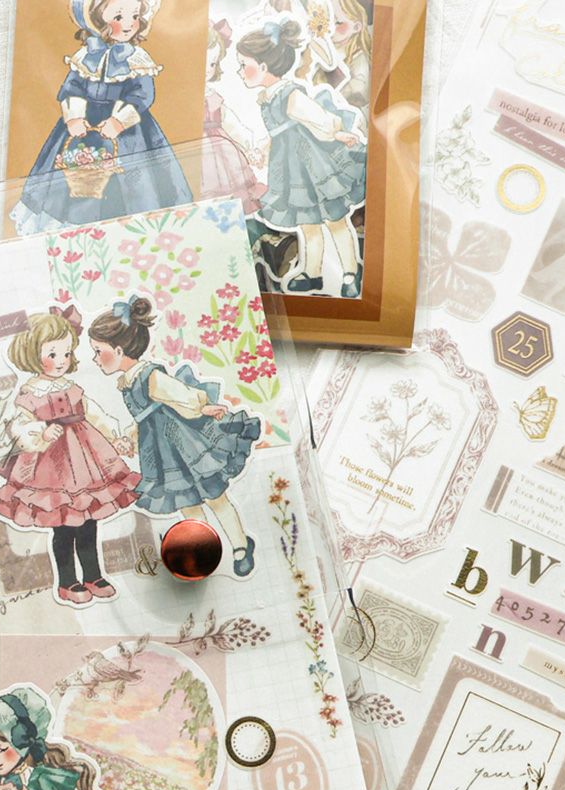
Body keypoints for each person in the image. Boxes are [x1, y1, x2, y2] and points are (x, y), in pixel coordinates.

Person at [87, 296, 260, 576]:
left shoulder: (150, 376)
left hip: (185, 445)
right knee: (187, 503)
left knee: (215, 495)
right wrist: (130, 438)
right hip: (161, 454)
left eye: (98, 351)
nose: (95, 359)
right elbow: (145, 418)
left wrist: (203, 407)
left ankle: (241, 546)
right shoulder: (127, 382)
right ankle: (205, 548)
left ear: (118, 350)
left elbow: (182, 396)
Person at [0, 306, 140, 605]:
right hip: (51, 467)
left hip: (86, 461)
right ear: (32, 354)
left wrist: (117, 437)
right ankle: (67, 582)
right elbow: (17, 426)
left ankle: (93, 575)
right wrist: (41, 432)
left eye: (67, 353)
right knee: (63, 527)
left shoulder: (72, 388)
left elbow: (95, 414)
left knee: (88, 521)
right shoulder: (30, 392)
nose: (61, 361)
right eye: (53, 354)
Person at [11, 0, 191, 234]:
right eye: (118, 17)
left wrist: (119, 121)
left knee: (134, 181)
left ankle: (130, 232)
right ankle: (75, 231)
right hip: (85, 127)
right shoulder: (87, 55)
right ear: (97, 19)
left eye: (135, 15)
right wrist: (74, 117)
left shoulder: (137, 60)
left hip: (129, 133)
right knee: (73, 174)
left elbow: (143, 95)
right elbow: (72, 88)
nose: (129, 24)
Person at [236, 18, 365, 298]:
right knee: (307, 223)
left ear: (264, 67)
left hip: (313, 165)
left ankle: (350, 272)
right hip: (290, 170)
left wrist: (337, 133)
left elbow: (320, 119)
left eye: (244, 64)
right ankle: (312, 273)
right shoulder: (268, 97)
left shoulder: (290, 95)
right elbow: (279, 133)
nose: (240, 71)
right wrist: (263, 150)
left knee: (335, 218)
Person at [202, 18, 266, 214]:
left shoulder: (212, 97)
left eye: (212, 63)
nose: (207, 69)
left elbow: (232, 125)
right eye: (201, 62)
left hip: (222, 154)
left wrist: (249, 146)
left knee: (227, 196)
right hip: (193, 155)